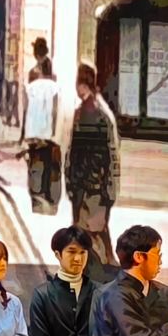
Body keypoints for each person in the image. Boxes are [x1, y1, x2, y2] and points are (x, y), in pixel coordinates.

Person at [66, 65, 121, 266]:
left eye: (79, 84)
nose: (77, 89)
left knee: (93, 227)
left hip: (93, 182)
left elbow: (109, 152)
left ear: (84, 85)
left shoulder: (97, 113)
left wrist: (110, 184)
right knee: (91, 226)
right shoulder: (84, 111)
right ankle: (104, 260)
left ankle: (105, 261)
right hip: (86, 181)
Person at [21, 58, 62, 215]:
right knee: (51, 168)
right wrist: (55, 133)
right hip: (48, 136)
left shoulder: (30, 88)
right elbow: (55, 112)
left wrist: (23, 136)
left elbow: (25, 112)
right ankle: (50, 203)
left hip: (33, 135)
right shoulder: (55, 88)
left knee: (35, 168)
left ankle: (37, 202)